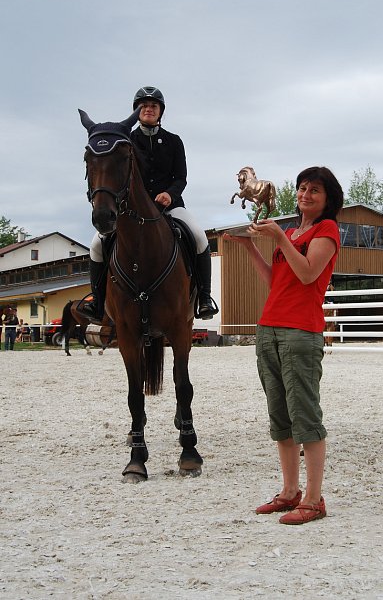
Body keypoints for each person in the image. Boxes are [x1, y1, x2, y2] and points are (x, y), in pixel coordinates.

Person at [224, 166, 343, 525]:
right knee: (281, 416)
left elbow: (308, 273)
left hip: (300, 331)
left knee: (305, 413)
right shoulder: (292, 231)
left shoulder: (327, 230)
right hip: (270, 328)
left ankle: (314, 498)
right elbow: (276, 281)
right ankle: (290, 492)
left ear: (328, 199)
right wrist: (249, 247)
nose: (306, 194)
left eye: (315, 190)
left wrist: (279, 239)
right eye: (303, 188)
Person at [84, 86, 218, 322]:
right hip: (133, 210)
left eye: (153, 106)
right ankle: (97, 302)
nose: (148, 109)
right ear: (136, 111)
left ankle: (204, 298)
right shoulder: (126, 141)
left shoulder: (174, 141)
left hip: (170, 205)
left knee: (199, 237)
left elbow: (181, 177)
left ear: (160, 112)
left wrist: (169, 193)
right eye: (143, 105)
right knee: (97, 244)